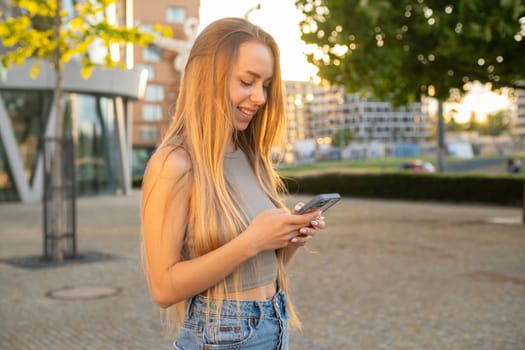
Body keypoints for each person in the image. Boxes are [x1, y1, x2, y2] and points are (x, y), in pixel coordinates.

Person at [141, 17, 327, 349]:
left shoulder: (250, 157)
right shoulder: (175, 163)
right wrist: (252, 240)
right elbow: (163, 288)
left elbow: (258, 268)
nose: (259, 97)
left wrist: (289, 238)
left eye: (265, 84)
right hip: (222, 336)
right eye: (247, 81)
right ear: (207, 79)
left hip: (274, 322)